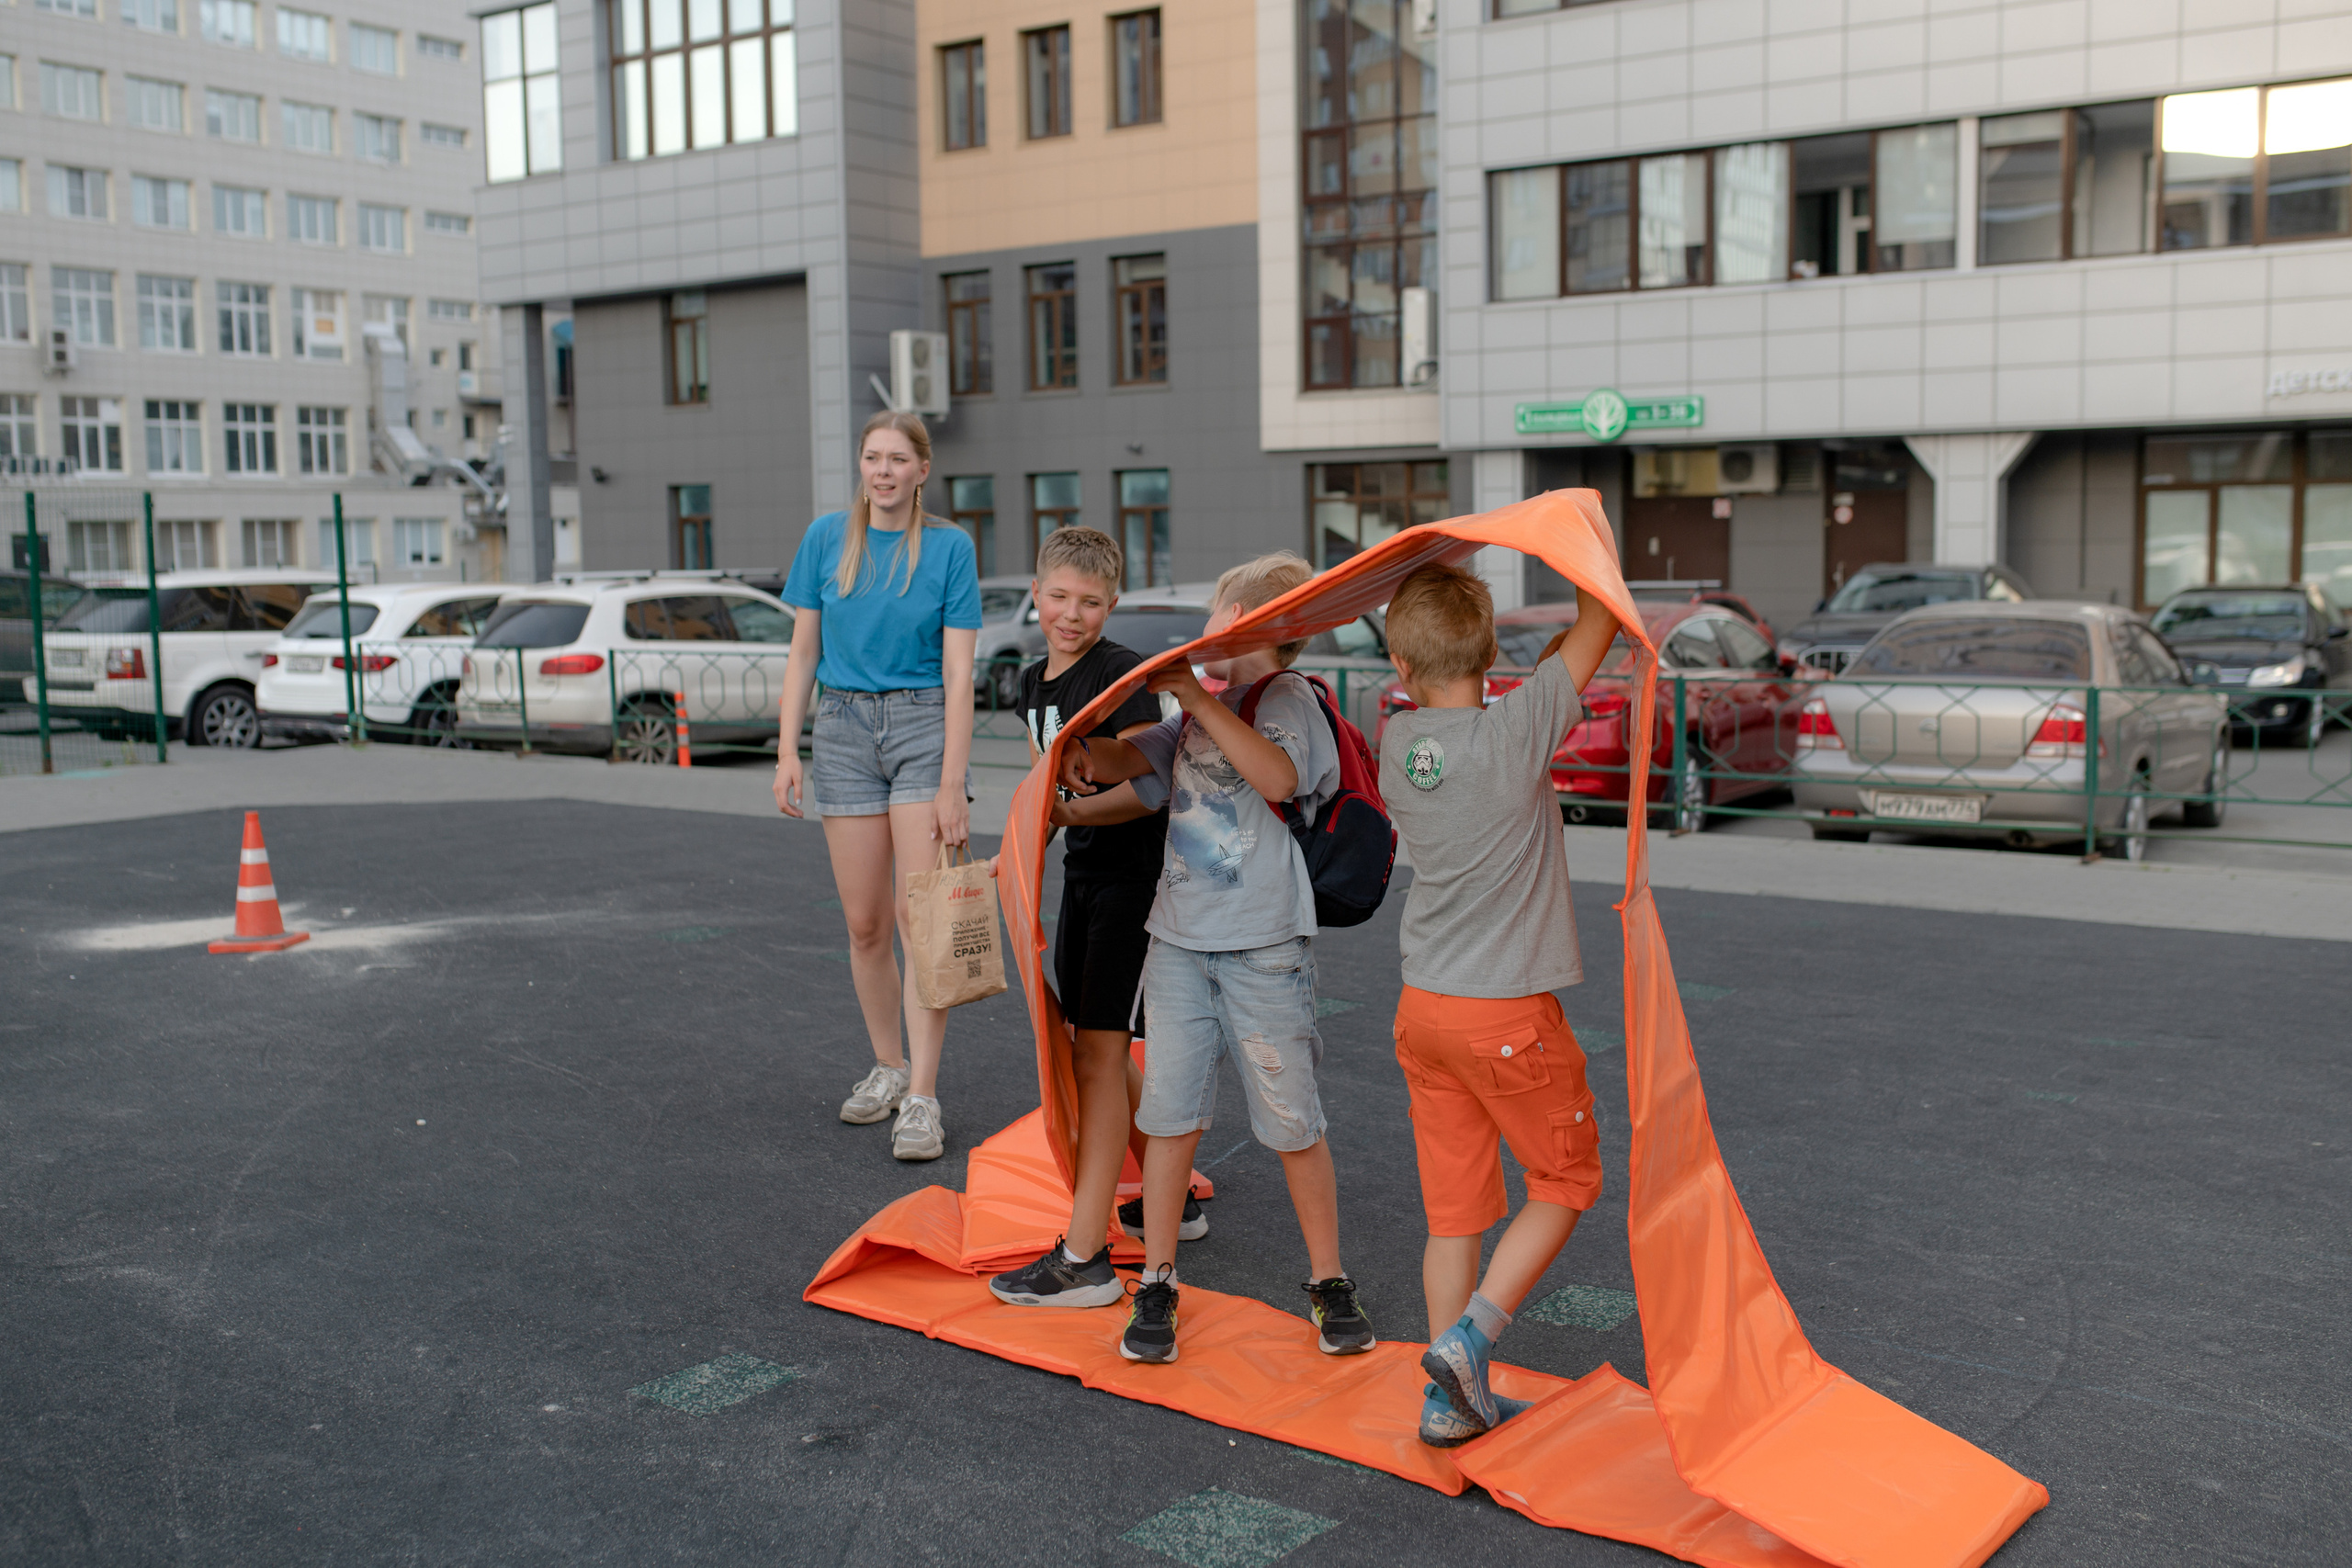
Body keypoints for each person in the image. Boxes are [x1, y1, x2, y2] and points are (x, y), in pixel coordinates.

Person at [1056, 551, 1374, 1365]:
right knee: (1168, 1119)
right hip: (1177, 946)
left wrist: (1197, 697)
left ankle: (1329, 1277)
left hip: (1264, 948)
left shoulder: (1288, 699)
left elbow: (1279, 774)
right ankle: (1158, 1279)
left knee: (1292, 1121)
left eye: (1216, 612)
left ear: (1250, 626)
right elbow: (1131, 762)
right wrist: (1086, 746)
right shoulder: (1195, 710)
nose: (1203, 629)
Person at [1376, 563, 1621, 1447]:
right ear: (1489, 653)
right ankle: (1471, 1340)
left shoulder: (1397, 741)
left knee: (1455, 1213)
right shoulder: (1518, 729)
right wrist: (1574, 540)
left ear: (1400, 662)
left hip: (1424, 1009)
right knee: (1567, 1179)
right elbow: (1600, 619)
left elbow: (1558, 668)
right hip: (1506, 1016)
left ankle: (1449, 1400)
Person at [773, 411, 981, 1163]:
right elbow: (803, 652)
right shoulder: (826, 538)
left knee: (919, 920)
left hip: (924, 727)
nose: (884, 471)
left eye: (898, 458)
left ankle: (922, 1095)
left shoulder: (951, 548)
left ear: (923, 469)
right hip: (843, 730)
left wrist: (953, 779)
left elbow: (959, 672)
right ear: (860, 466)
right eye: (872, 457)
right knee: (865, 924)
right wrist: (787, 749)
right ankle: (888, 1066)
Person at [988, 527, 1177, 1308]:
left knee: (1100, 1052)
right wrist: (1028, 841)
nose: (1071, 614)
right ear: (1035, 592)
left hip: (1133, 880)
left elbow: (1148, 786)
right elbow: (1049, 789)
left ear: (1113, 602)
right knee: (1087, 1043)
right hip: (1084, 876)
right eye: (1059, 597)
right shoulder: (1032, 681)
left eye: (1090, 602)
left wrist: (1066, 815)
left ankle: (1086, 1256)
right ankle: (1173, 1196)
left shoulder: (1120, 675)